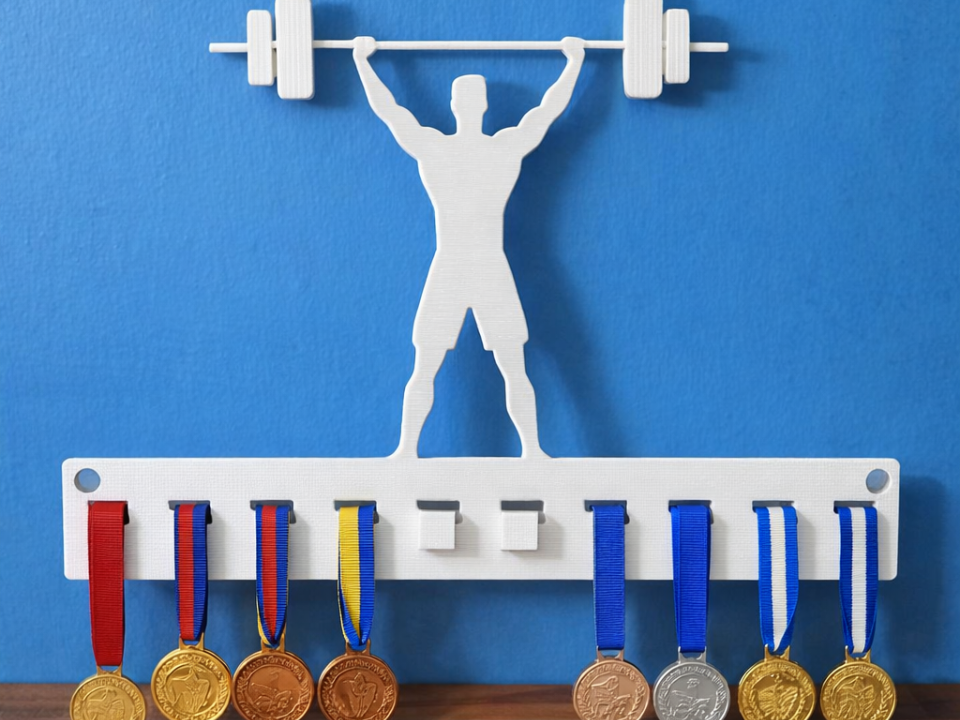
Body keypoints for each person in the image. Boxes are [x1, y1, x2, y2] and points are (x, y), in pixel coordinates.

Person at [353, 35, 586, 459]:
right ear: (480, 106)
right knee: (493, 366)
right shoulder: (499, 149)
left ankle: (529, 450)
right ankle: (410, 450)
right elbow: (548, 111)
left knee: (467, 365)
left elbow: (390, 111)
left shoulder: (437, 149)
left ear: (456, 105)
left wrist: (362, 62)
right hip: (470, 267)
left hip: (470, 266)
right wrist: (573, 62)